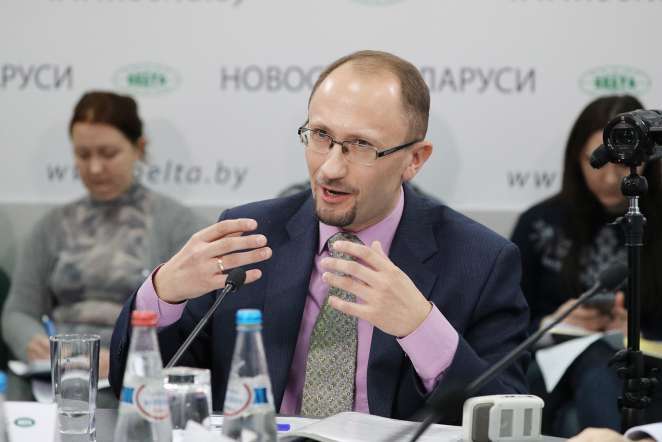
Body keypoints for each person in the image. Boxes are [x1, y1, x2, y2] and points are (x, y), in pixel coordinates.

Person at [109, 50, 529, 422]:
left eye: (361, 145)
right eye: (321, 136)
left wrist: (420, 328)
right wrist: (163, 295)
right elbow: (133, 385)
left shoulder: (480, 262)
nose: (330, 168)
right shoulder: (249, 237)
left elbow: (508, 418)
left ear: (414, 159)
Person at [1, 91, 205, 392]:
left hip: (139, 383)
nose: (95, 168)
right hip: (58, 382)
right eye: (83, 155)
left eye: (108, 154)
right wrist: (33, 342)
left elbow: (195, 321)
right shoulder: (52, 226)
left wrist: (127, 358)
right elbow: (18, 311)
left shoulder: (177, 225)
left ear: (139, 148)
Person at [511, 95, 662, 434]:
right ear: (576, 157)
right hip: (551, 367)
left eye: (621, 163)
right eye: (599, 160)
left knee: (580, 412)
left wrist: (636, 334)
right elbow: (504, 327)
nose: (609, 178)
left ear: (646, 159)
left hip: (645, 370)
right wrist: (554, 322)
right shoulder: (539, 223)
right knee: (593, 366)